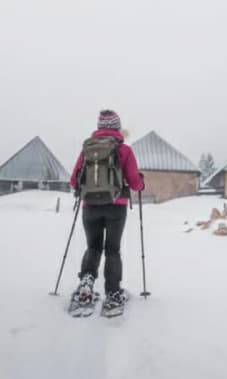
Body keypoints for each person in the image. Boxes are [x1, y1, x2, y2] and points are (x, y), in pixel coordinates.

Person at [69, 109, 144, 313]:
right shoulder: (124, 150)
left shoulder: (87, 149)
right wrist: (140, 182)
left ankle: (86, 285)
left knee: (93, 247)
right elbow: (135, 183)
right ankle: (113, 293)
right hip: (116, 207)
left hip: (90, 207)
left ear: (99, 127)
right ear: (117, 128)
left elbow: (74, 181)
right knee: (112, 250)